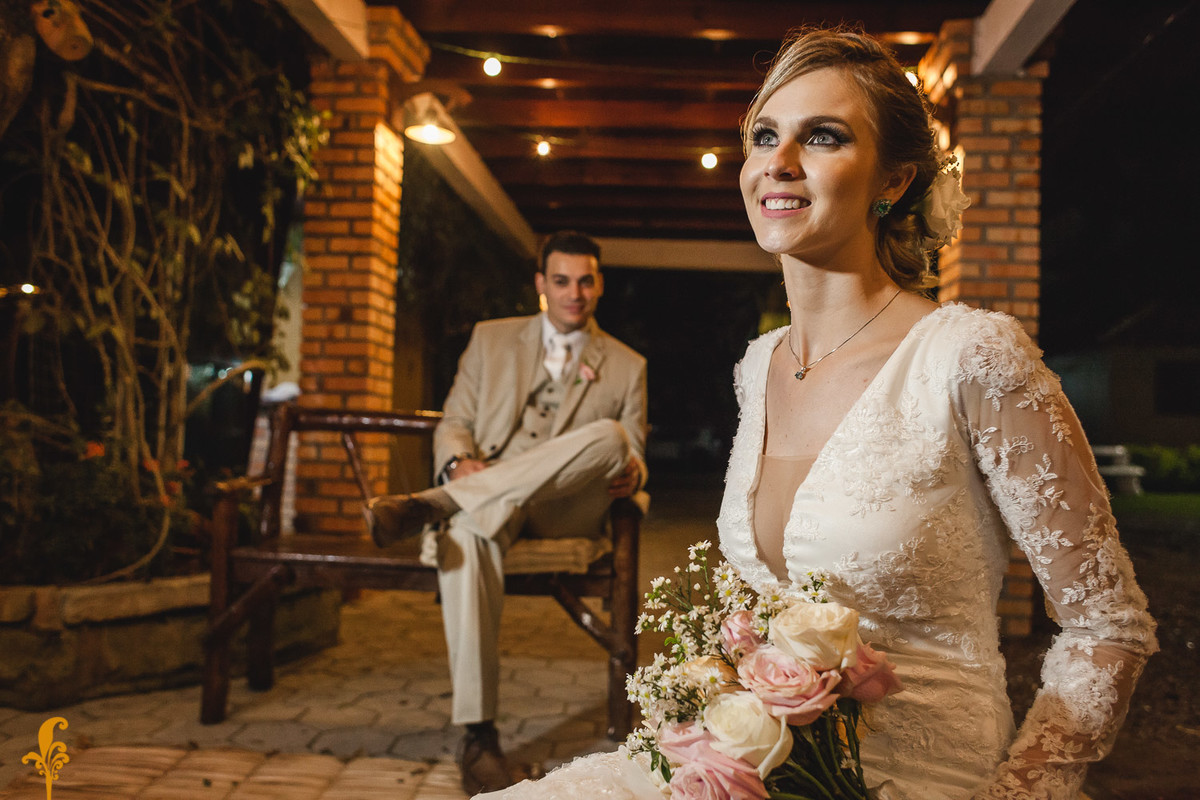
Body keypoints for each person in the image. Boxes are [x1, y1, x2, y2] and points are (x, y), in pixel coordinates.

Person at [475, 27, 1156, 800]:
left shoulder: (970, 356)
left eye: (823, 136)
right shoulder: (759, 366)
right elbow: (759, 603)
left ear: (893, 181)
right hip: (743, 769)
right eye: (765, 136)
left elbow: (1108, 627)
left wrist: (1024, 792)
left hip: (914, 775)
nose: (779, 161)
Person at [365, 230, 648, 795]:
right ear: (541, 283)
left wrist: (635, 472)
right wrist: (456, 463)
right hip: (493, 502)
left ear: (599, 285)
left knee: (612, 437)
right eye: (562, 281)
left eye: (585, 281)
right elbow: (455, 421)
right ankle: (479, 738)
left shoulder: (627, 364)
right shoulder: (490, 339)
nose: (574, 294)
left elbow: (633, 451)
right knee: (466, 539)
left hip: (564, 505)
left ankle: (433, 506)